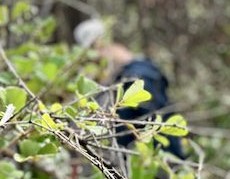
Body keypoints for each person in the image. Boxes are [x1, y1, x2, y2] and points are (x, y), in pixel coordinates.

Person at [75, 18, 186, 162]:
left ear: (101, 45)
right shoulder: (132, 75)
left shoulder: (138, 76)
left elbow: (148, 125)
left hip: (155, 168)